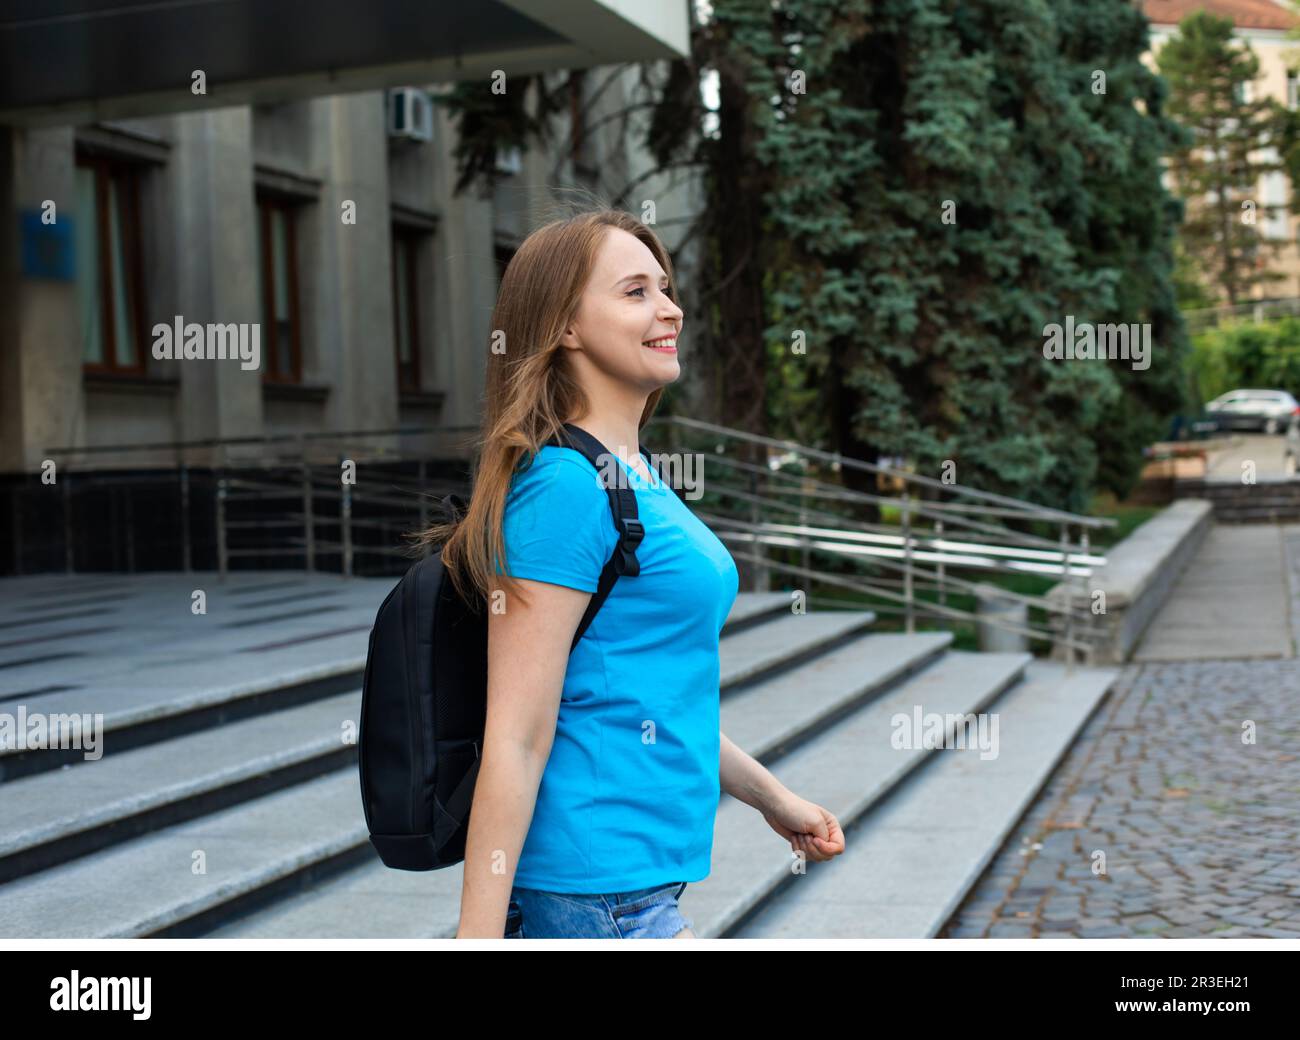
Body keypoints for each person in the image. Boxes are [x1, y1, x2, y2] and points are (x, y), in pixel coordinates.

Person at [422, 207, 844, 939]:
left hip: (633, 885)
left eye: (666, 287)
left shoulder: (627, 474)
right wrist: (477, 937)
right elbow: (516, 738)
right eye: (634, 291)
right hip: (595, 893)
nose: (669, 308)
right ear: (565, 326)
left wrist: (772, 798)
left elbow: (645, 694)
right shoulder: (563, 490)